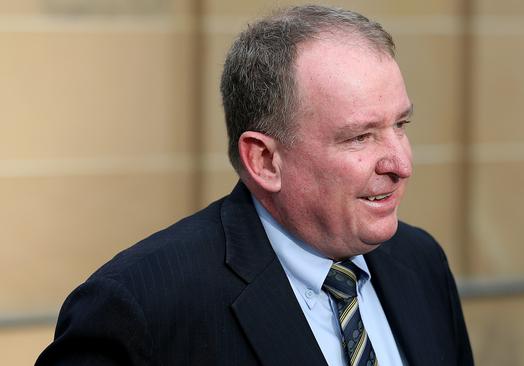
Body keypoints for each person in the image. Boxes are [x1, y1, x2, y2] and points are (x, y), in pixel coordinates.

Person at [37, 5, 473, 366]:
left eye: (401, 124)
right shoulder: (139, 308)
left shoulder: (421, 264)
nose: (401, 163)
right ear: (264, 160)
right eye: (361, 136)